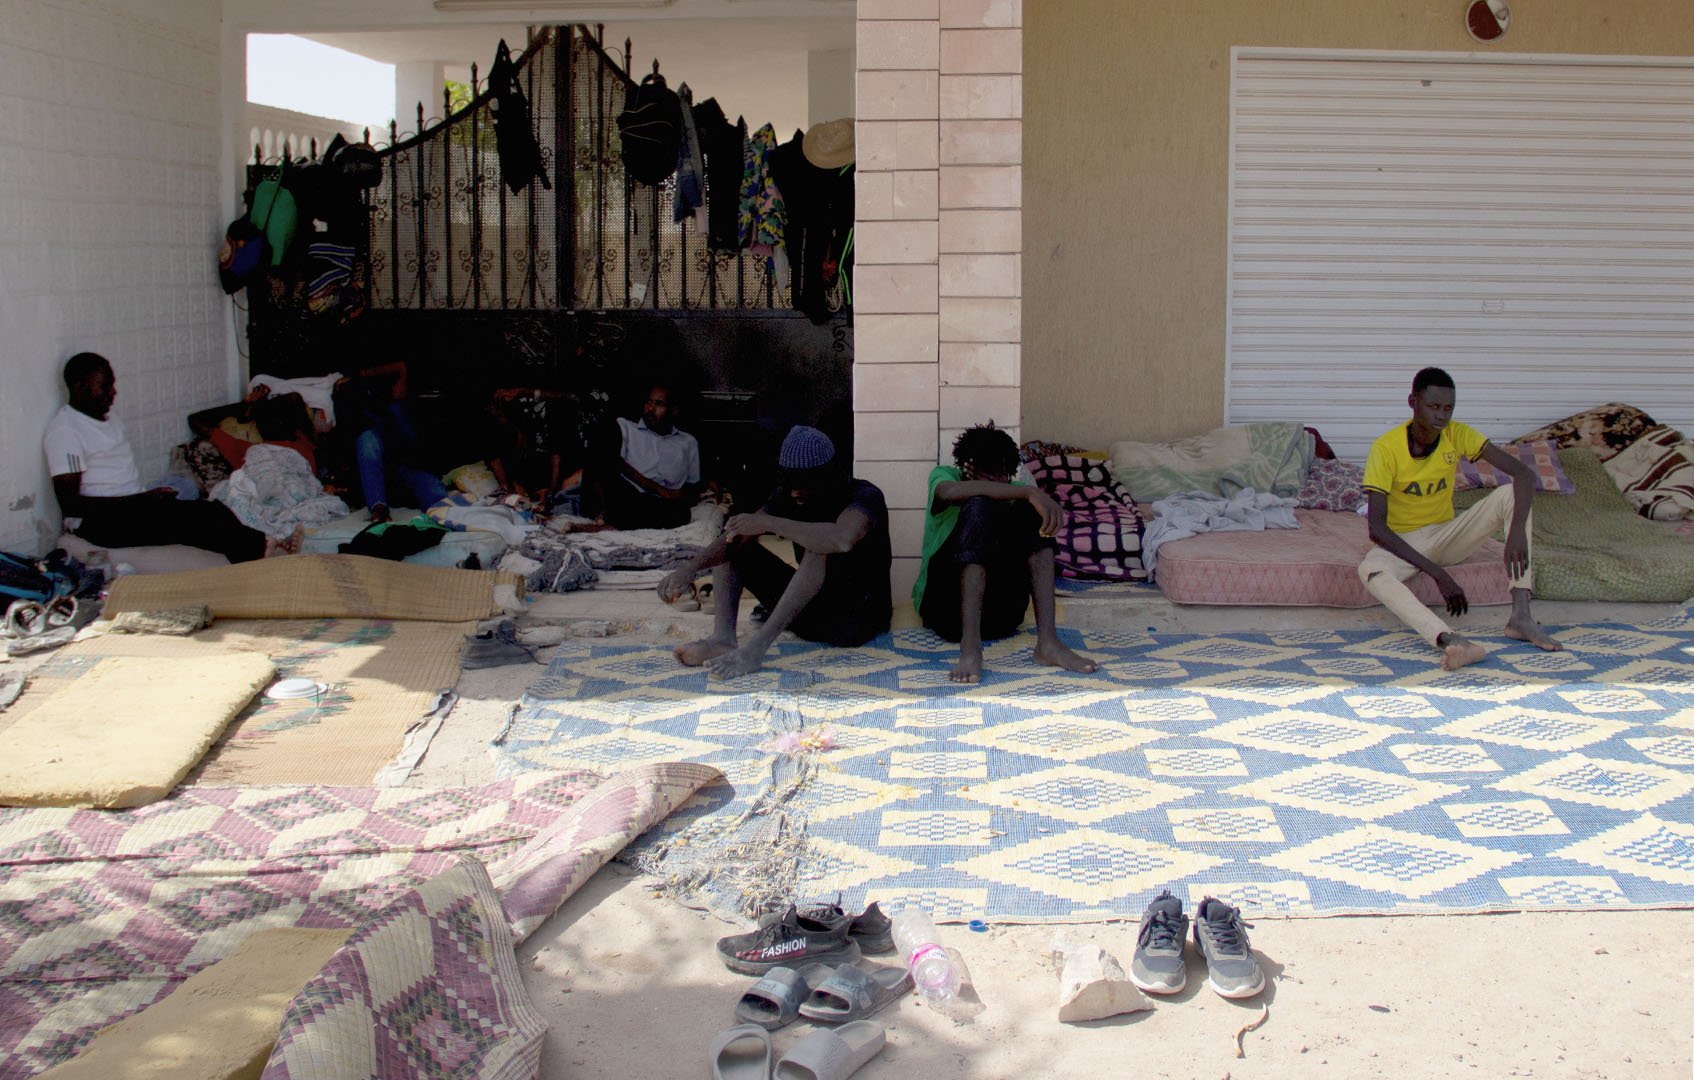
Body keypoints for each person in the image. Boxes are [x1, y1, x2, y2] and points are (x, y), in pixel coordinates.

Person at [1359, 366, 1562, 670]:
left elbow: (1523, 473)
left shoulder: (1458, 434)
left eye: (1448, 408)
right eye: (1433, 407)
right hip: (1403, 543)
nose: (1441, 416)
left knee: (1511, 495)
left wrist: (1516, 529)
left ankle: (1521, 616)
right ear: (1412, 402)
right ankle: (1450, 640)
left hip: (1446, 534)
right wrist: (1438, 574)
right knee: (1370, 570)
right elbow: (1376, 529)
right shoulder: (1385, 449)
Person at [659, 425, 890, 680]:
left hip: (855, 621)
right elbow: (739, 534)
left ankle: (755, 649)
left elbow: (842, 539)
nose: (795, 492)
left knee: (818, 547)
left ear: (829, 475)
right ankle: (722, 639)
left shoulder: (865, 496)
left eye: (804, 485)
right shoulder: (790, 496)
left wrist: (771, 523)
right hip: (808, 613)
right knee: (736, 542)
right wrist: (689, 569)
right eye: (790, 484)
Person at [44, 352, 284, 562]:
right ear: (79, 387)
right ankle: (265, 553)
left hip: (130, 506)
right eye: (105, 386)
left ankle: (262, 549)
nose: (113, 393)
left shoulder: (107, 417)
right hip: (98, 524)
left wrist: (145, 499)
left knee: (213, 511)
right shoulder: (66, 430)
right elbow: (71, 505)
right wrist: (142, 500)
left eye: (112, 385)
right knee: (197, 520)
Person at [914, 423, 1098, 684]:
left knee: (1028, 513)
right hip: (945, 612)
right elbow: (950, 492)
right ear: (968, 468)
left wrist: (1028, 498)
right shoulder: (948, 477)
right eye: (991, 476)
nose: (1001, 483)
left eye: (1005, 476)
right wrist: (1028, 491)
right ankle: (970, 647)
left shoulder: (1017, 493)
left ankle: (1048, 643)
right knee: (980, 505)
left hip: (1002, 616)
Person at [334, 360, 446, 522]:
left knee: (438, 498)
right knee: (368, 440)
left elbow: (415, 450)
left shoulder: (408, 408)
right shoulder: (362, 406)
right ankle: (379, 508)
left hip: (406, 468)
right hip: (378, 474)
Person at [592, 381, 702, 530]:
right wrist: (656, 488)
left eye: (659, 404)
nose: (650, 409)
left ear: (674, 410)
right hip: (626, 493)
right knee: (600, 458)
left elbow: (692, 488)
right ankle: (611, 515)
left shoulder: (688, 442)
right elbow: (613, 462)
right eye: (648, 402)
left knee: (681, 514)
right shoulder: (626, 427)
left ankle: (612, 522)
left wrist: (677, 495)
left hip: (658, 503)